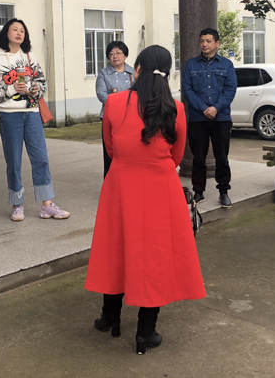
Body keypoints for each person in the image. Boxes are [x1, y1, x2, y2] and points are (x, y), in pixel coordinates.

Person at [85, 45, 205, 355]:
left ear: (136, 69)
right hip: (160, 186)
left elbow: (110, 147)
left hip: (120, 183)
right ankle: (145, 331)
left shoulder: (114, 103)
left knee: (116, 248)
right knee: (156, 255)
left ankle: (110, 317)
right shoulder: (176, 108)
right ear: (167, 73)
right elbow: (176, 155)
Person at [0, 18, 69, 222]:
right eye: (15, 29)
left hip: (32, 113)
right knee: (13, 161)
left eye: (22, 30)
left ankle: (47, 205)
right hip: (9, 115)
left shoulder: (30, 56)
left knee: (41, 158)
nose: (19, 33)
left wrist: (33, 89)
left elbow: (41, 82)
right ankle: (17, 204)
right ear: (6, 33)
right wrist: (12, 88)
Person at [181, 27, 238, 207]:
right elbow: (187, 91)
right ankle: (199, 191)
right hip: (198, 118)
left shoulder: (226, 65)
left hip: (221, 118)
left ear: (217, 43)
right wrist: (204, 108)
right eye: (201, 41)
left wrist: (216, 108)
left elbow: (230, 89)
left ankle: (224, 191)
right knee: (198, 157)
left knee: (222, 157)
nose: (204, 44)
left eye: (208, 41)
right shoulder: (191, 65)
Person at [95, 40, 135, 177]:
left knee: (128, 151)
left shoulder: (133, 72)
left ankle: (128, 179)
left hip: (130, 117)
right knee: (110, 152)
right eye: (111, 54)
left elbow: (138, 93)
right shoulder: (103, 73)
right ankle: (110, 182)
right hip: (110, 118)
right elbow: (101, 94)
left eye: (118, 53)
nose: (115, 56)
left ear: (125, 55)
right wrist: (119, 106)